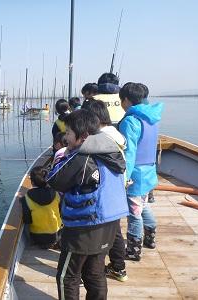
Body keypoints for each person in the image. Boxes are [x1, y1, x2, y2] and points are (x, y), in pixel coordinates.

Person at [47, 109, 129, 300]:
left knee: (67, 277)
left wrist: (67, 153)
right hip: (109, 223)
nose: (66, 138)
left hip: (83, 229)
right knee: (95, 273)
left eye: (68, 133)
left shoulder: (82, 158)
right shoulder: (112, 151)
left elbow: (54, 180)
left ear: (83, 136)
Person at [118, 82, 163, 261]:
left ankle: (133, 250)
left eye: (121, 100)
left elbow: (128, 153)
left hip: (135, 174)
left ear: (127, 100)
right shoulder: (151, 117)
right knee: (143, 206)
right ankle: (150, 238)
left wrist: (124, 177)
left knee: (134, 212)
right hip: (149, 171)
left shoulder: (131, 121)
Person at [85, 100, 128, 282]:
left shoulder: (100, 139)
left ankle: (97, 271)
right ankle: (118, 267)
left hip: (105, 191)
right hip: (118, 188)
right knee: (114, 230)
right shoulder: (116, 134)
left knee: (104, 232)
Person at [19, 166, 62, 249]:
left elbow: (27, 220)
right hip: (57, 235)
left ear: (32, 182)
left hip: (37, 238)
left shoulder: (27, 198)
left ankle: (32, 243)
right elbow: (61, 212)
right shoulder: (56, 194)